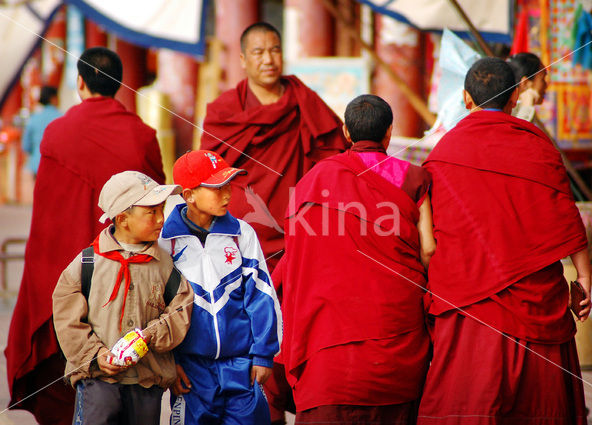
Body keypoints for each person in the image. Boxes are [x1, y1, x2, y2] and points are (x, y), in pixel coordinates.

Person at [417, 57, 591, 424]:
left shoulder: (443, 154)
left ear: (466, 98)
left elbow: (430, 237)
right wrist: (584, 279)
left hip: (469, 298)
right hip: (534, 298)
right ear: (515, 98)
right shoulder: (539, 149)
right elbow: (565, 216)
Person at [5, 47, 165, 424]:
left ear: (79, 82)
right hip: (130, 279)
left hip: (71, 271)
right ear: (120, 83)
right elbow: (156, 206)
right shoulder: (142, 135)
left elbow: (48, 218)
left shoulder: (56, 133)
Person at [200, 21, 348, 423]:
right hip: (245, 244)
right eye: (260, 52)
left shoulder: (303, 99)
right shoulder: (225, 112)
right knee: (249, 337)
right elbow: (207, 180)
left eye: (275, 50)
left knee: (302, 332)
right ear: (244, 59)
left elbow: (334, 161)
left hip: (303, 242)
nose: (269, 59)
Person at [280, 95, 433, 424]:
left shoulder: (316, 179)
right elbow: (429, 249)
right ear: (389, 132)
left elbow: (297, 254)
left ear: (346, 133)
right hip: (396, 333)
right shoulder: (411, 176)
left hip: (329, 341)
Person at [52, 171, 193, 424]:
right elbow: (67, 320)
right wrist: (96, 355)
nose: (162, 219)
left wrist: (151, 334)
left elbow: (181, 310)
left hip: (147, 382)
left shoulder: (165, 267)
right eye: (151, 212)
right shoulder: (88, 263)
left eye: (162, 209)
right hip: (97, 381)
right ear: (122, 219)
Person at [159, 150, 282, 425]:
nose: (227, 194)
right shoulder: (165, 243)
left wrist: (263, 354)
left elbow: (261, 295)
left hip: (242, 365)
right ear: (189, 195)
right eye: (216, 188)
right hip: (190, 369)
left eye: (228, 185)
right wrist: (169, 362)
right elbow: (157, 310)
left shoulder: (241, 234)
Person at [21, 85, 61, 177]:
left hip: (37, 166)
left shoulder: (33, 118)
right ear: (53, 98)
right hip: (56, 166)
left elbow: (26, 146)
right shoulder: (62, 117)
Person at [507, 52, 548, 121]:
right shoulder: (505, 110)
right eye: (542, 79)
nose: (546, 85)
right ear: (525, 83)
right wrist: (527, 106)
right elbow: (517, 131)